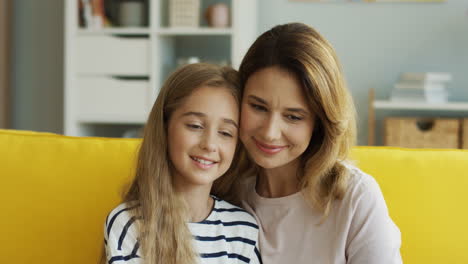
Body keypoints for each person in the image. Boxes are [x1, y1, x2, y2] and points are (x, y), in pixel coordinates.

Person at [233, 23, 402, 263]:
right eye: (258, 107)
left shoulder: (355, 197)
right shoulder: (224, 190)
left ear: (320, 121)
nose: (270, 133)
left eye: (293, 117)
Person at [103, 63, 261, 264]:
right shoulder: (129, 223)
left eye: (225, 133)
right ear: (165, 127)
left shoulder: (243, 230)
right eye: (195, 126)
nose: (210, 144)